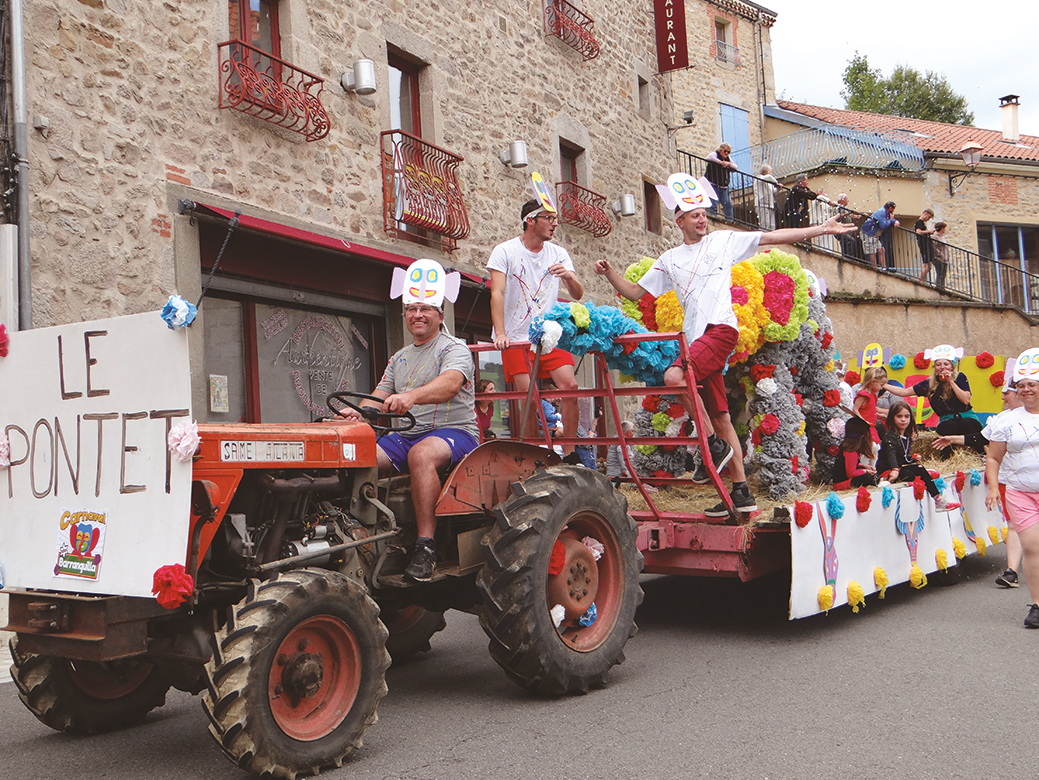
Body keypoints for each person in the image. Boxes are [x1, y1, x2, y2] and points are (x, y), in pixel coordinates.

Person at [594, 175, 857, 516]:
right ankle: (741, 493)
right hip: (694, 343)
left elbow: (772, 236)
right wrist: (609, 273)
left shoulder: (722, 241)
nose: (702, 218)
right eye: (694, 214)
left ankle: (713, 450)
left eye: (704, 212)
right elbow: (635, 292)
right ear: (680, 221)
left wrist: (820, 230)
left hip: (720, 332)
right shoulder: (670, 259)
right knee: (720, 417)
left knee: (674, 378)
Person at [343, 259, 479, 582]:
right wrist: (356, 413)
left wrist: (411, 397)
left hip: (455, 433)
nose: (417, 315)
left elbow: (450, 384)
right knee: (360, 454)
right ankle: (362, 535)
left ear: (440, 314)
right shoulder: (399, 358)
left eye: (425, 308)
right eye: (411, 309)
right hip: (408, 433)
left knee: (422, 455)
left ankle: (426, 546)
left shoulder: (455, 349)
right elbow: (378, 395)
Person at [488, 197, 585, 462]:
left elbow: (577, 294)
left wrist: (568, 276)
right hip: (517, 338)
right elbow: (496, 292)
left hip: (549, 335)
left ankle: (570, 452)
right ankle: (532, 455)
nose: (555, 224)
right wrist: (501, 333)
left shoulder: (558, 253)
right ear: (530, 220)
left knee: (571, 386)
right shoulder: (505, 250)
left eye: (555, 219)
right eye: (549, 218)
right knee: (529, 399)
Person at [936, 373, 1024, 586]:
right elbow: (980, 438)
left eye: (1007, 393)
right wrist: (952, 440)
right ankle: (1011, 571)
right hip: (1013, 480)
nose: (1003, 397)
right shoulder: (1003, 419)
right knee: (1013, 525)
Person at [983, 349, 1039, 628]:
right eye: (1021, 385)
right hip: (1020, 491)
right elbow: (993, 457)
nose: (1026, 389)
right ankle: (1038, 606)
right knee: (1032, 547)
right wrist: (994, 487)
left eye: (1032, 384)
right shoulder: (1007, 421)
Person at [883, 344, 984, 460]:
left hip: (967, 418)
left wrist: (951, 382)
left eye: (946, 364)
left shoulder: (960, 377)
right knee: (950, 426)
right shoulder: (929, 383)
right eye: (938, 364)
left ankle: (981, 455)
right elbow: (903, 392)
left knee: (967, 424)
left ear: (952, 366)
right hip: (947, 421)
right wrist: (883, 385)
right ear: (934, 367)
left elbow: (966, 400)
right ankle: (945, 460)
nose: (942, 367)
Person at [877, 401, 959, 511]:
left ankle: (938, 499)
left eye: (906, 416)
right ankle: (924, 479)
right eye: (899, 416)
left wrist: (912, 459)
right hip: (888, 470)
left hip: (898, 467)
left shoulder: (905, 436)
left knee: (918, 469)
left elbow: (902, 457)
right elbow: (891, 453)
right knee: (910, 474)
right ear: (892, 418)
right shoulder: (890, 436)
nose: (903, 419)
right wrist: (895, 469)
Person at [832, 416, 879, 490]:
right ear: (862, 436)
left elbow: (849, 465)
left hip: (846, 481)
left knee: (874, 477)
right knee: (869, 478)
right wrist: (865, 471)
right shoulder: (851, 452)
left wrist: (864, 466)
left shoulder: (851, 450)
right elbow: (851, 473)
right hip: (842, 484)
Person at [860, 201, 900, 271]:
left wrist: (894, 221)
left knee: (881, 250)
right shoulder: (881, 212)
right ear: (890, 208)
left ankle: (884, 267)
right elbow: (883, 225)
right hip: (869, 233)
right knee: (872, 251)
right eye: (893, 208)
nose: (893, 211)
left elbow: (888, 221)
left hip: (875, 234)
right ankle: (874, 267)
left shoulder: (886, 213)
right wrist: (891, 220)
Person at [853, 366, 887, 446]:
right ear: (873, 382)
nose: (881, 388)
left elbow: (870, 409)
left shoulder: (873, 395)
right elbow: (855, 409)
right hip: (864, 427)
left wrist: (878, 415)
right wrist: (863, 421)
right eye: (881, 385)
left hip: (871, 425)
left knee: (876, 446)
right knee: (869, 446)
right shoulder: (864, 395)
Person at [705, 143, 737, 221]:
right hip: (713, 184)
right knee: (713, 204)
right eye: (725, 151)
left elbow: (735, 167)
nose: (726, 153)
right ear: (720, 150)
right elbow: (709, 158)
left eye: (728, 152)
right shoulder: (715, 154)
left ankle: (730, 221)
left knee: (728, 205)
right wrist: (720, 162)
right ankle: (712, 219)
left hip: (724, 187)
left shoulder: (728, 158)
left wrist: (728, 163)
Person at [606, 420, 636, 487]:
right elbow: (621, 454)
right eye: (633, 431)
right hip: (616, 476)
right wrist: (625, 471)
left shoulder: (622, 440)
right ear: (628, 432)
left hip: (617, 475)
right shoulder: (621, 442)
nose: (634, 433)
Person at [755, 164, 779, 231]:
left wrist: (778, 187)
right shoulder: (759, 178)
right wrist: (776, 182)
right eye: (770, 171)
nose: (771, 173)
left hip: (770, 205)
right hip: (762, 204)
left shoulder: (769, 182)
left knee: (772, 225)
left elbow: (773, 192)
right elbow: (769, 177)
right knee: (765, 224)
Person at [915, 209, 935, 283]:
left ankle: (923, 281)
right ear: (925, 214)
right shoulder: (919, 222)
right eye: (929, 217)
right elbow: (918, 231)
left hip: (925, 245)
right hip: (924, 245)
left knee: (925, 266)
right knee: (928, 266)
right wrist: (928, 231)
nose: (928, 219)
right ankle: (919, 279)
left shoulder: (921, 222)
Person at [931, 222, 950, 291]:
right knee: (940, 273)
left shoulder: (943, 237)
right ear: (942, 228)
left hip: (944, 258)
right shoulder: (935, 237)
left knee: (943, 274)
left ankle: (942, 288)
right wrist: (939, 254)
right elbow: (934, 247)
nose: (944, 230)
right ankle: (939, 288)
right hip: (938, 258)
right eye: (944, 228)